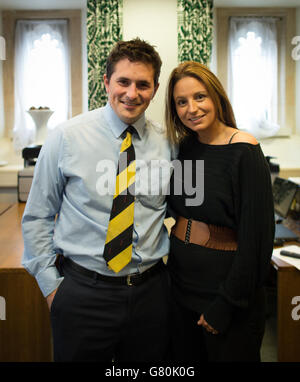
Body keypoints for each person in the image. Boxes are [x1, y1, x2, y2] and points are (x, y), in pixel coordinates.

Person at [22, 38, 173, 362]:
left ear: (155, 88)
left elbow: (189, 206)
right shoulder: (66, 137)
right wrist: (52, 289)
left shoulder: (170, 143)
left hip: (151, 294)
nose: (132, 93)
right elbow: (37, 216)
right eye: (123, 81)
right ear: (106, 82)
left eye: (143, 84)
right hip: (83, 293)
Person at [165, 61, 275, 362]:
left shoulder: (244, 150)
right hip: (180, 290)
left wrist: (226, 303)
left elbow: (257, 242)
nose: (192, 108)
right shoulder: (186, 149)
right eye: (181, 102)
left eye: (200, 97)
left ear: (216, 97)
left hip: (225, 297)